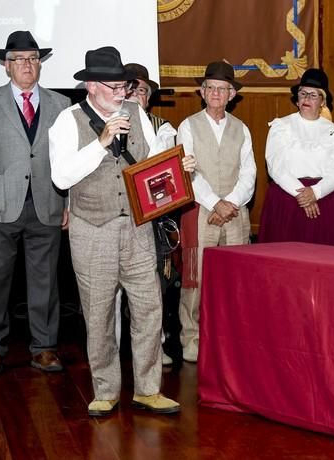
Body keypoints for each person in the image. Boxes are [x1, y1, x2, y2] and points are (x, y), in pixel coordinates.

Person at [48, 46, 195, 416]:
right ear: (91, 87)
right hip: (91, 229)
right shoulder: (67, 121)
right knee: (98, 314)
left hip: (137, 227)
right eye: (114, 87)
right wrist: (100, 143)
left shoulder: (137, 113)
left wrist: (177, 165)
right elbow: (61, 176)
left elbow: (148, 161)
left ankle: (147, 388)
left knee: (149, 308)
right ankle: (106, 390)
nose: (122, 93)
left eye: (124, 86)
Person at [0, 31, 70, 376]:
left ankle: (44, 348)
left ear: (40, 64)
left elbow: (66, 158)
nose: (27, 65)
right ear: (6, 66)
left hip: (47, 204)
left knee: (45, 280)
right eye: (19, 59)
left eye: (33, 58)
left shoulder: (60, 104)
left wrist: (69, 202)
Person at [177, 61, 256, 363]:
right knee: (195, 279)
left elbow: (249, 172)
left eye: (223, 89)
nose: (216, 93)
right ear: (202, 91)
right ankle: (192, 338)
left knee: (234, 279)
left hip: (236, 215)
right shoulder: (188, 126)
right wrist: (214, 203)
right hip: (201, 211)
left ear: (232, 94)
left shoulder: (241, 129)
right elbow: (188, 171)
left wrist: (231, 203)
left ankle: (230, 335)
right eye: (211, 87)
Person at [258, 68, 334, 247]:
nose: (307, 98)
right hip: (286, 201)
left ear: (323, 101)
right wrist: (303, 195)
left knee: (323, 261)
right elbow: (276, 166)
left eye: (313, 95)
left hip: (325, 202)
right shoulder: (281, 126)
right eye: (303, 93)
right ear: (297, 99)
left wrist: (315, 192)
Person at [121, 62, 175, 367]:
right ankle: (113, 347)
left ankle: (156, 347)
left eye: (140, 90)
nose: (133, 94)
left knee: (154, 286)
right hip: (111, 220)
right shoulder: (104, 123)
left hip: (149, 221)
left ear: (148, 97)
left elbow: (166, 179)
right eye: (128, 88)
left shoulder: (163, 128)